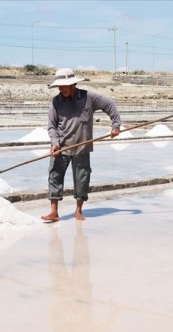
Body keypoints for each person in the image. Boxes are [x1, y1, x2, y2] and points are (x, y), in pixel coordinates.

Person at [41, 68, 121, 222]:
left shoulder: (88, 97)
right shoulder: (56, 102)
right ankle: (54, 212)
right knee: (54, 177)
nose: (61, 89)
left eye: (64, 86)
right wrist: (55, 143)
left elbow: (109, 104)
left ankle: (78, 211)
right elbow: (52, 126)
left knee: (82, 180)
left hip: (82, 147)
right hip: (62, 147)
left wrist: (115, 126)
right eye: (59, 86)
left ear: (73, 84)